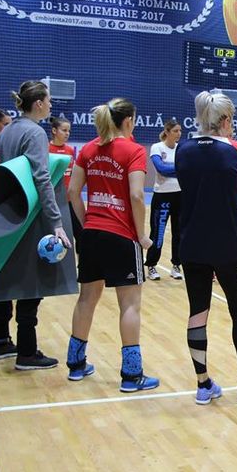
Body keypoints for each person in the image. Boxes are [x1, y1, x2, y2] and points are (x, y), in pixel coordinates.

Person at [66, 98, 160, 392]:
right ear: (129, 121)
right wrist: (142, 235)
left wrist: (87, 223)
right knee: (129, 304)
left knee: (86, 299)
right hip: (121, 236)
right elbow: (136, 195)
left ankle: (76, 365)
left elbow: (72, 192)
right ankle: (131, 376)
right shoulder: (134, 150)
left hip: (92, 234)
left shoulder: (88, 149)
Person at [175, 91, 237, 405]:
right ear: (224, 120)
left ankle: (203, 384)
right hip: (229, 246)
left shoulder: (183, 149)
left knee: (197, 313)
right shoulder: (236, 150)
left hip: (192, 245)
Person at [0, 80, 73, 369]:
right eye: (48, 100)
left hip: (7, 211)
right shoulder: (35, 132)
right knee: (30, 283)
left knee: (5, 277)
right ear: (38, 103)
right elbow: (41, 178)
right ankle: (27, 352)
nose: (51, 105)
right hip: (30, 213)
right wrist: (56, 221)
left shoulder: (6, 131)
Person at [145, 118, 183, 281]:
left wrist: (173, 170)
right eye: (175, 131)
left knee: (179, 233)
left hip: (180, 196)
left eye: (180, 131)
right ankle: (151, 265)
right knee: (158, 233)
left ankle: (176, 265)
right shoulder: (157, 147)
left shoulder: (181, 149)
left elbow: (184, 170)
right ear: (167, 132)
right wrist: (180, 169)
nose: (179, 134)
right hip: (162, 196)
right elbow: (161, 169)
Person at [49, 116, 82, 253]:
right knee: (55, 235)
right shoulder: (46, 149)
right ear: (54, 131)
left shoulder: (69, 150)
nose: (67, 133)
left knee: (80, 233)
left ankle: (82, 263)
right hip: (53, 201)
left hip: (69, 200)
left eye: (69, 131)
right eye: (64, 130)